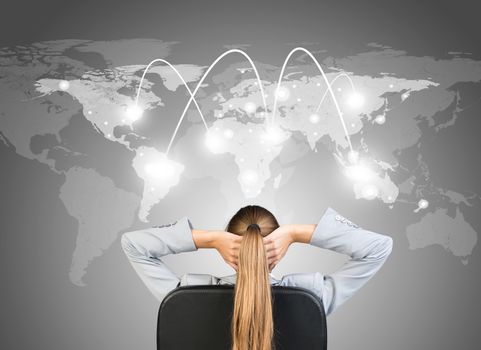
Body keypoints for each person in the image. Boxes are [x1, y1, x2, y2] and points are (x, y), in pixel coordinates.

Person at [121, 205, 393, 350]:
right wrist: (297, 233)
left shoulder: (189, 295)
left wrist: (209, 239)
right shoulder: (311, 297)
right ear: (279, 249)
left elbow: (133, 244)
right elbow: (378, 248)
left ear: (228, 249)